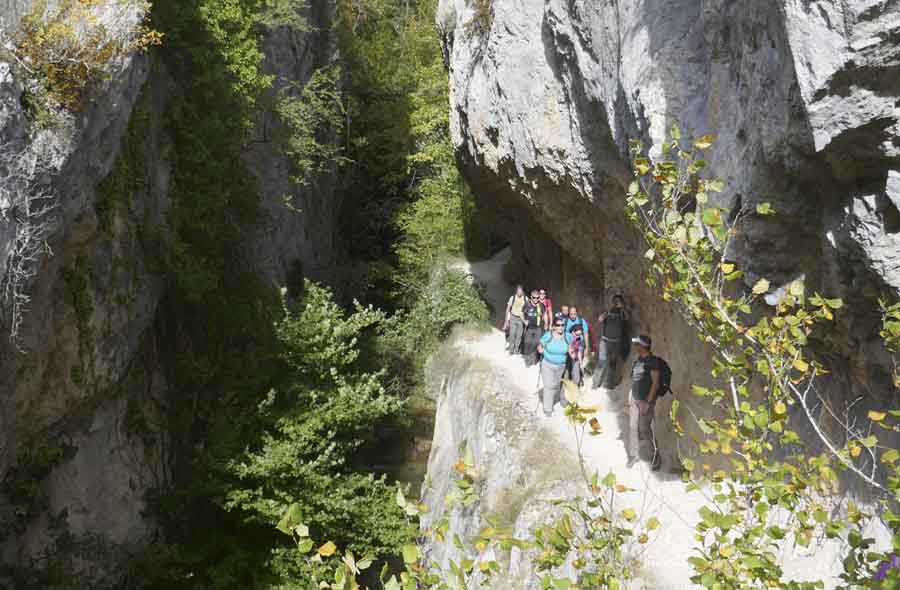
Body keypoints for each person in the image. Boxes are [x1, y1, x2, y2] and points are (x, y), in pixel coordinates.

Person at [627, 335, 661, 470]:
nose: (634, 346)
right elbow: (635, 379)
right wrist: (630, 394)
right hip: (635, 398)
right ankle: (634, 455)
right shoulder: (637, 360)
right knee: (632, 427)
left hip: (645, 401)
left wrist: (648, 402)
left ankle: (656, 455)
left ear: (643, 347)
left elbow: (655, 383)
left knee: (645, 429)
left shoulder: (652, 362)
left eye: (636, 344)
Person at [537, 319, 573, 416]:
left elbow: (570, 349)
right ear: (554, 326)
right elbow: (540, 346)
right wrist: (540, 349)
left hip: (561, 366)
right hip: (547, 364)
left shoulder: (568, 337)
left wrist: (572, 354)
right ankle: (547, 409)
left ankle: (557, 400)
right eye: (558, 325)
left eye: (562, 325)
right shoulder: (548, 335)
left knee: (556, 385)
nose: (561, 327)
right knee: (549, 386)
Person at [593, 294, 629, 389]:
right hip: (605, 342)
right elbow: (600, 319)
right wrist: (609, 310)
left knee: (613, 363)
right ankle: (595, 384)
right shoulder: (607, 312)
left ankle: (609, 384)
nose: (617, 303)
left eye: (619, 301)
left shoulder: (622, 313)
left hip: (616, 343)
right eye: (616, 301)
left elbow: (627, 318)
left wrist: (623, 308)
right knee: (601, 362)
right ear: (612, 302)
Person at [521, 290, 545, 367]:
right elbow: (521, 313)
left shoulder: (541, 305)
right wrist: (524, 321)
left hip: (538, 328)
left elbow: (545, 315)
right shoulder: (527, 304)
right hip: (529, 328)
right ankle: (527, 361)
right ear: (531, 297)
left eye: (537, 297)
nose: (536, 299)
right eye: (534, 297)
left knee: (536, 344)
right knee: (528, 343)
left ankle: (534, 360)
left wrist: (547, 324)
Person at [504, 285, 527, 355]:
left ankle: (516, 349)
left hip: (521, 319)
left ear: (523, 292)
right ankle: (511, 349)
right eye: (518, 291)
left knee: (519, 335)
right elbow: (508, 309)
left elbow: (529, 308)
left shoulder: (526, 299)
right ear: (516, 291)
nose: (519, 293)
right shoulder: (513, 298)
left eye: (520, 291)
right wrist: (506, 321)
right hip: (513, 317)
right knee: (512, 333)